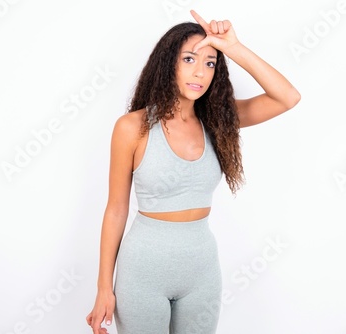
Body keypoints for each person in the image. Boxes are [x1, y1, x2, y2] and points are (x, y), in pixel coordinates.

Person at [86, 9, 301, 334]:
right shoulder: (133, 128)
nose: (199, 71)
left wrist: (234, 47)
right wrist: (104, 287)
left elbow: (287, 97)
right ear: (167, 63)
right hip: (143, 272)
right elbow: (116, 209)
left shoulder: (219, 120)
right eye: (189, 59)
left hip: (201, 271)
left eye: (210, 62)